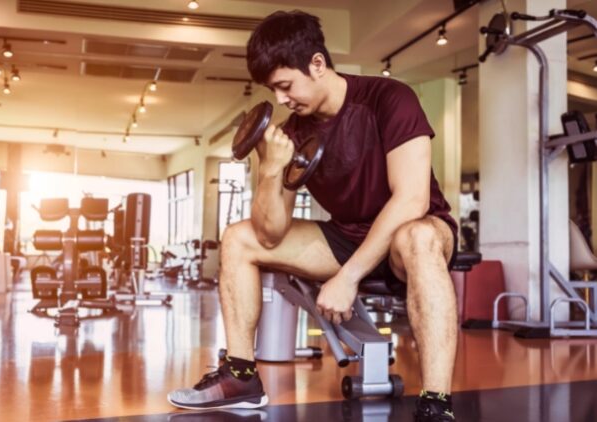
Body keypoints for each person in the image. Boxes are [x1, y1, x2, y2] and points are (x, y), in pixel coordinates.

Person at [168, 10, 459, 422]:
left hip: (412, 234)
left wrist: (348, 277)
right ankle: (241, 376)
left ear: (317, 64)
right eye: (274, 90)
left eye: (286, 86)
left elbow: (411, 199)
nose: (282, 99)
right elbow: (269, 234)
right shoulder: (294, 131)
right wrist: (270, 170)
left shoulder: (389, 99)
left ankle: (436, 401)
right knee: (238, 238)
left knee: (417, 238)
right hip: (346, 235)